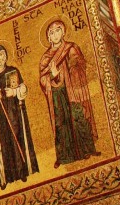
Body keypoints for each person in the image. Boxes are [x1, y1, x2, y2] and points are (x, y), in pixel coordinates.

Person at [39, 19, 99, 167]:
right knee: (62, 123)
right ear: (48, 37)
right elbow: (42, 79)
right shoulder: (45, 58)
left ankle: (87, 150)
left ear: (63, 32)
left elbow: (80, 64)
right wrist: (53, 75)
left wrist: (72, 68)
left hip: (73, 90)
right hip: (57, 95)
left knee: (78, 117)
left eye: (57, 30)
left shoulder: (71, 48)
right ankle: (64, 157)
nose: (54, 34)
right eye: (51, 32)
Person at [0, 44, 38, 190]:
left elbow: (23, 89)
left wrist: (14, 92)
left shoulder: (13, 71)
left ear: (6, 56)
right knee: (3, 146)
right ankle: (4, 177)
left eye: (1, 55)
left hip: (14, 115)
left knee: (17, 139)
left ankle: (22, 172)